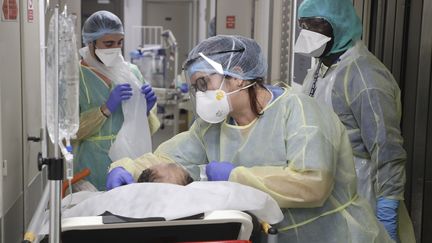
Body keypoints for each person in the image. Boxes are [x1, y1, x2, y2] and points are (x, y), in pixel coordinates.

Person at [105, 35, 393, 242]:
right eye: (196, 87)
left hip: (335, 236)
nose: (201, 94)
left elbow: (312, 183)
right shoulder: (212, 126)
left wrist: (237, 176)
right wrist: (126, 167)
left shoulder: (300, 112)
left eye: (205, 83)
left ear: (238, 76)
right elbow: (169, 159)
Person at [292, 0, 413, 241]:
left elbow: (386, 148)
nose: (308, 33)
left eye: (316, 26)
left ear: (341, 26)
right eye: (303, 25)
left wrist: (387, 210)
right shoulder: (324, 67)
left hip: (360, 196)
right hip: (326, 196)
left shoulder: (364, 75)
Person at [73, 10, 160, 191]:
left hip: (128, 161)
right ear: (90, 43)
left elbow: (146, 131)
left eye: (119, 42)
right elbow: (71, 132)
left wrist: (145, 111)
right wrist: (105, 109)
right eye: (108, 43)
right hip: (91, 165)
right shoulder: (75, 76)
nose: (115, 48)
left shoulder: (131, 73)